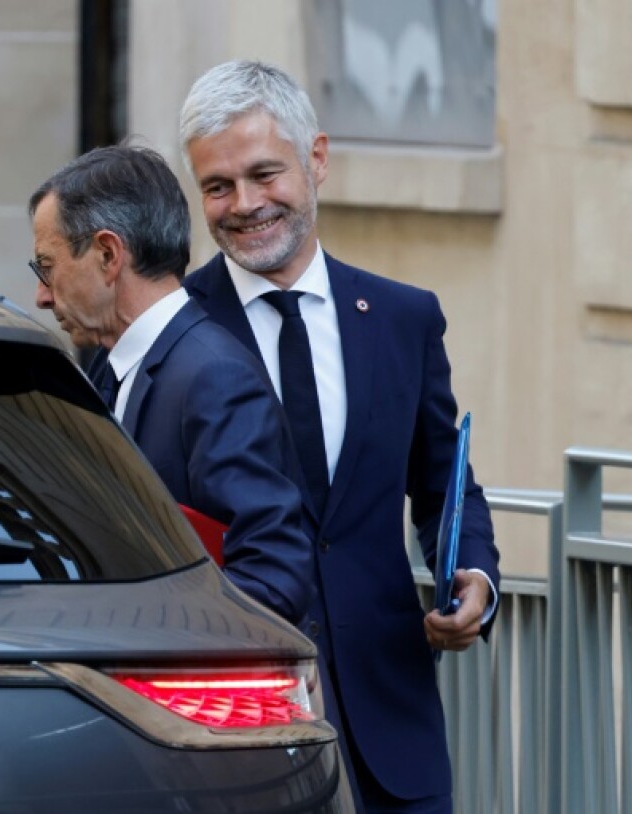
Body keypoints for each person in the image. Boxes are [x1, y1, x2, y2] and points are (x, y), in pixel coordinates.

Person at [178, 60, 501, 813]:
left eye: (265, 174)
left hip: (393, 728)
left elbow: (444, 483)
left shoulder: (403, 318)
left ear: (316, 158)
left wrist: (475, 579)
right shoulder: (176, 333)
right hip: (241, 733)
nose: (245, 205)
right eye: (218, 186)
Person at [26, 144, 320, 637]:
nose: (41, 295)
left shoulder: (215, 377)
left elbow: (272, 580)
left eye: (46, 267)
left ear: (107, 254)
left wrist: (136, 627)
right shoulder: (111, 367)